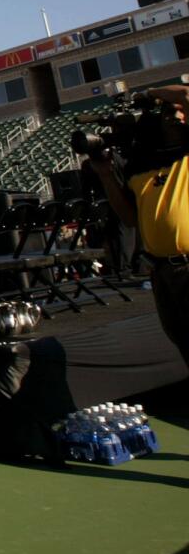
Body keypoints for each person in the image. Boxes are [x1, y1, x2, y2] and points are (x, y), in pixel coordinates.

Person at [87, 84, 189, 368]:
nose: (177, 115)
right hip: (161, 270)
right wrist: (106, 176)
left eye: (181, 112)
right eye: (169, 112)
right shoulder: (140, 164)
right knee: (182, 340)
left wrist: (149, 93)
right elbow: (130, 219)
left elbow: (186, 96)